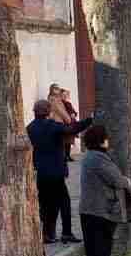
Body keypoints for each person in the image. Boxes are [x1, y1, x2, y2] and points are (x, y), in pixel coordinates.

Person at [77, 124, 131, 256]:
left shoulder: (90, 157)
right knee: (101, 251)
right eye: (106, 137)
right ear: (101, 140)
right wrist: (127, 181)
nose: (108, 140)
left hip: (90, 210)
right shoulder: (98, 159)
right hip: (99, 211)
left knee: (95, 251)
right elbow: (117, 180)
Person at [27, 98, 90, 244]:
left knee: (45, 204)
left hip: (41, 171)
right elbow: (72, 129)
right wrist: (89, 120)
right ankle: (66, 232)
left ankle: (46, 233)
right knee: (64, 202)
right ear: (48, 111)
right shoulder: (51, 125)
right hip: (55, 171)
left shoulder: (30, 128)